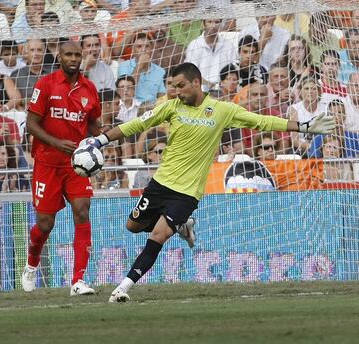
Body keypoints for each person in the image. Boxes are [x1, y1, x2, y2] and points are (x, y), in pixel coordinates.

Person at [83, 62, 335, 302]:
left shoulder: (222, 110)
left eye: (181, 86)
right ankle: (183, 226)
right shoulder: (171, 108)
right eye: (173, 86)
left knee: (158, 236)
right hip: (160, 184)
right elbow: (136, 124)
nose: (176, 91)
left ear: (196, 83)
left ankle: (123, 288)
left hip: (188, 192)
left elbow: (262, 121)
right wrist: (100, 141)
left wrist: (303, 126)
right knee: (132, 226)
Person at [21, 41, 102, 296]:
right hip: (46, 163)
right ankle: (32, 264)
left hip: (75, 166)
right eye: (69, 54)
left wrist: (96, 148)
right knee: (45, 224)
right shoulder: (45, 84)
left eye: (78, 54)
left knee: (82, 209)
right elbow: (31, 125)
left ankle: (78, 281)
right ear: (59, 57)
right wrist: (57, 143)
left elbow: (94, 125)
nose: (74, 58)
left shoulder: (90, 89)